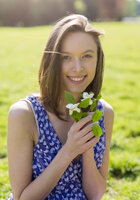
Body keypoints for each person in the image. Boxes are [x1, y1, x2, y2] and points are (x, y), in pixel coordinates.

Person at [7, 14, 114, 200]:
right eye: (66, 58)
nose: (78, 67)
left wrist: (86, 146)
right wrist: (68, 151)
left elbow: (95, 194)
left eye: (87, 56)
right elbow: (22, 198)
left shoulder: (103, 113)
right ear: (53, 60)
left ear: (98, 59)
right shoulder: (24, 115)